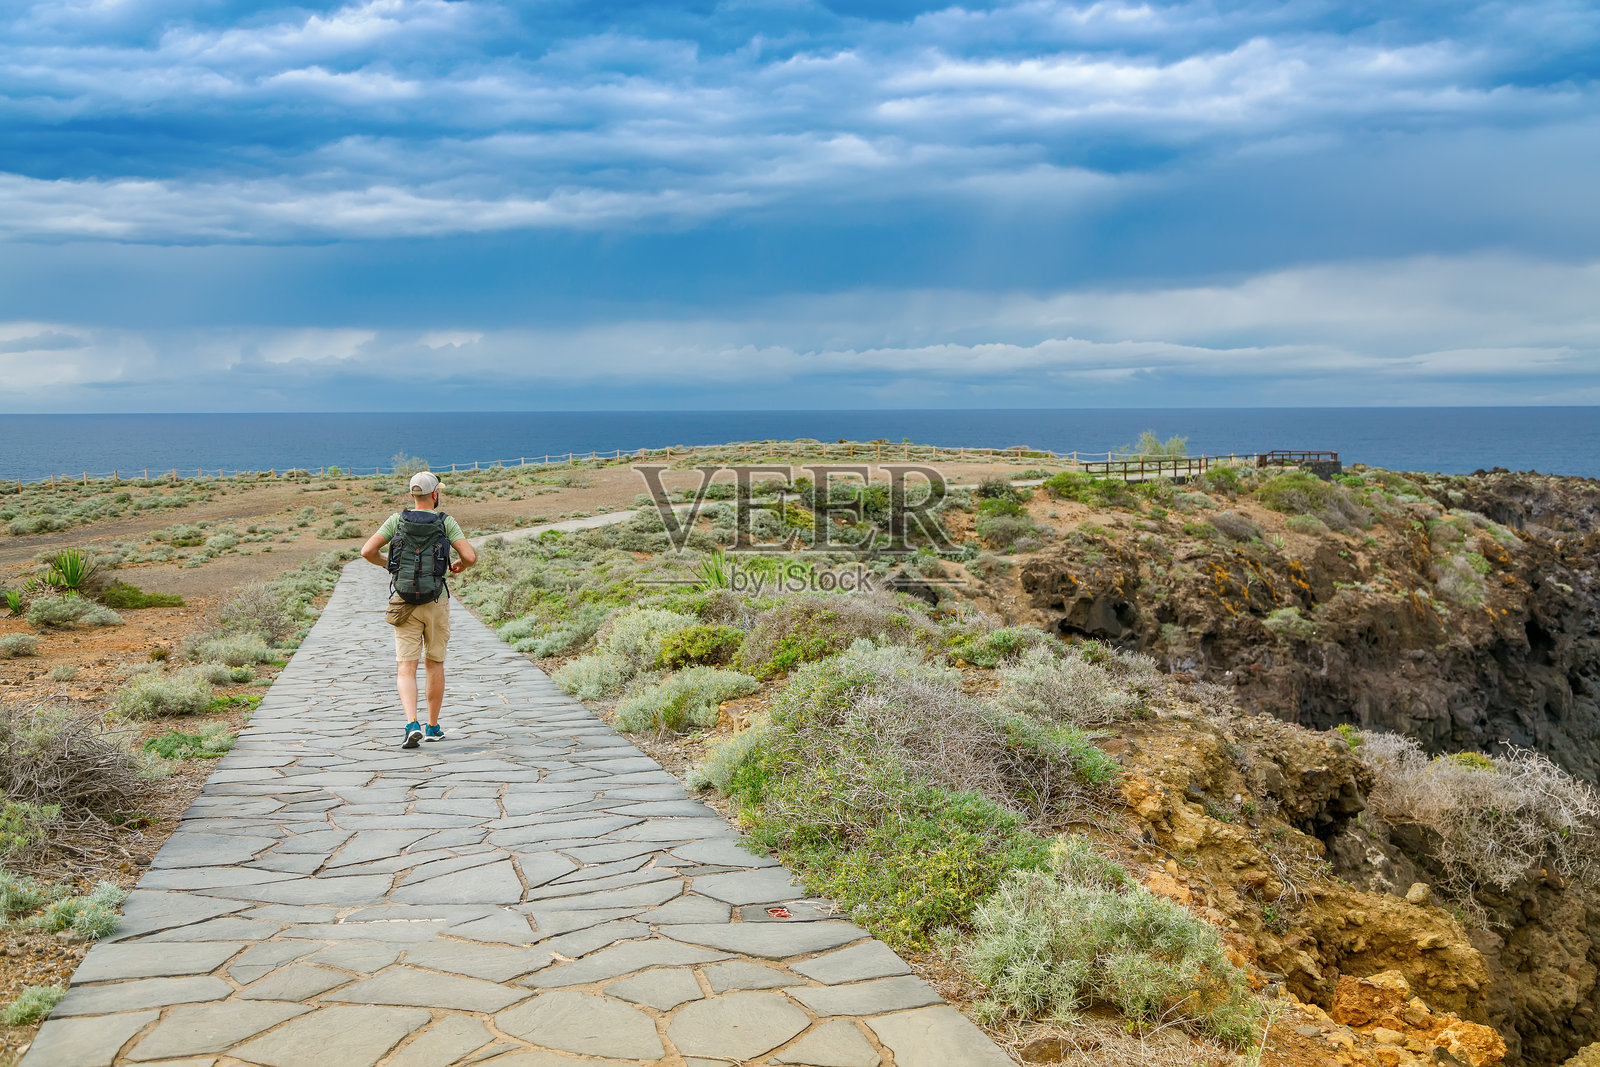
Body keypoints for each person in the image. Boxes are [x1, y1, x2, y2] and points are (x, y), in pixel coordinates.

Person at [361, 471, 477, 748]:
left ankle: (411, 723)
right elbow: (470, 556)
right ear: (435, 494)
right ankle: (432, 727)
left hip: (404, 601)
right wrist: (460, 565)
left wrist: (391, 564)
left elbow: (367, 551)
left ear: (412, 494)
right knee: (434, 663)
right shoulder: (446, 522)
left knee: (406, 667)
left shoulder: (396, 520)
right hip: (436, 600)